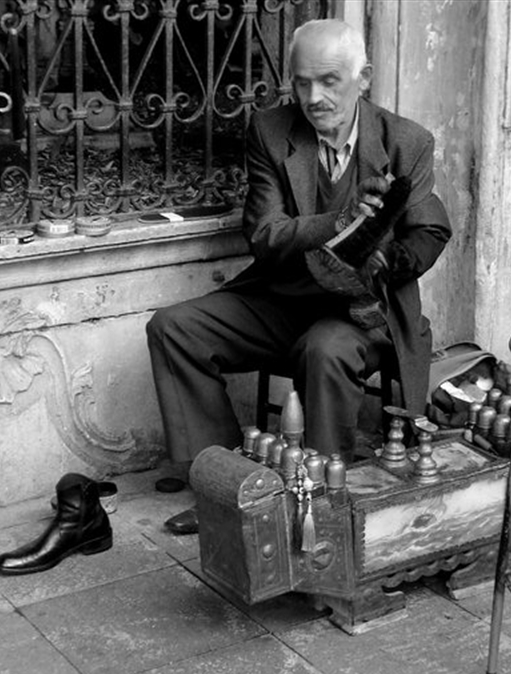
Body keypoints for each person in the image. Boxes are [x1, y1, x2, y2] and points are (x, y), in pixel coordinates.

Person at [146, 18, 451, 534]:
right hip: (283, 300)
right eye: (302, 82)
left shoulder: (406, 142)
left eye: (330, 80)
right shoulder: (271, 130)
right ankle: (228, 487)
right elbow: (265, 235)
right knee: (173, 328)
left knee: (326, 348)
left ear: (364, 77)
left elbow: (430, 231)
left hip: (360, 316)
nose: (314, 96)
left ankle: (323, 499)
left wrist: (386, 262)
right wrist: (342, 219)